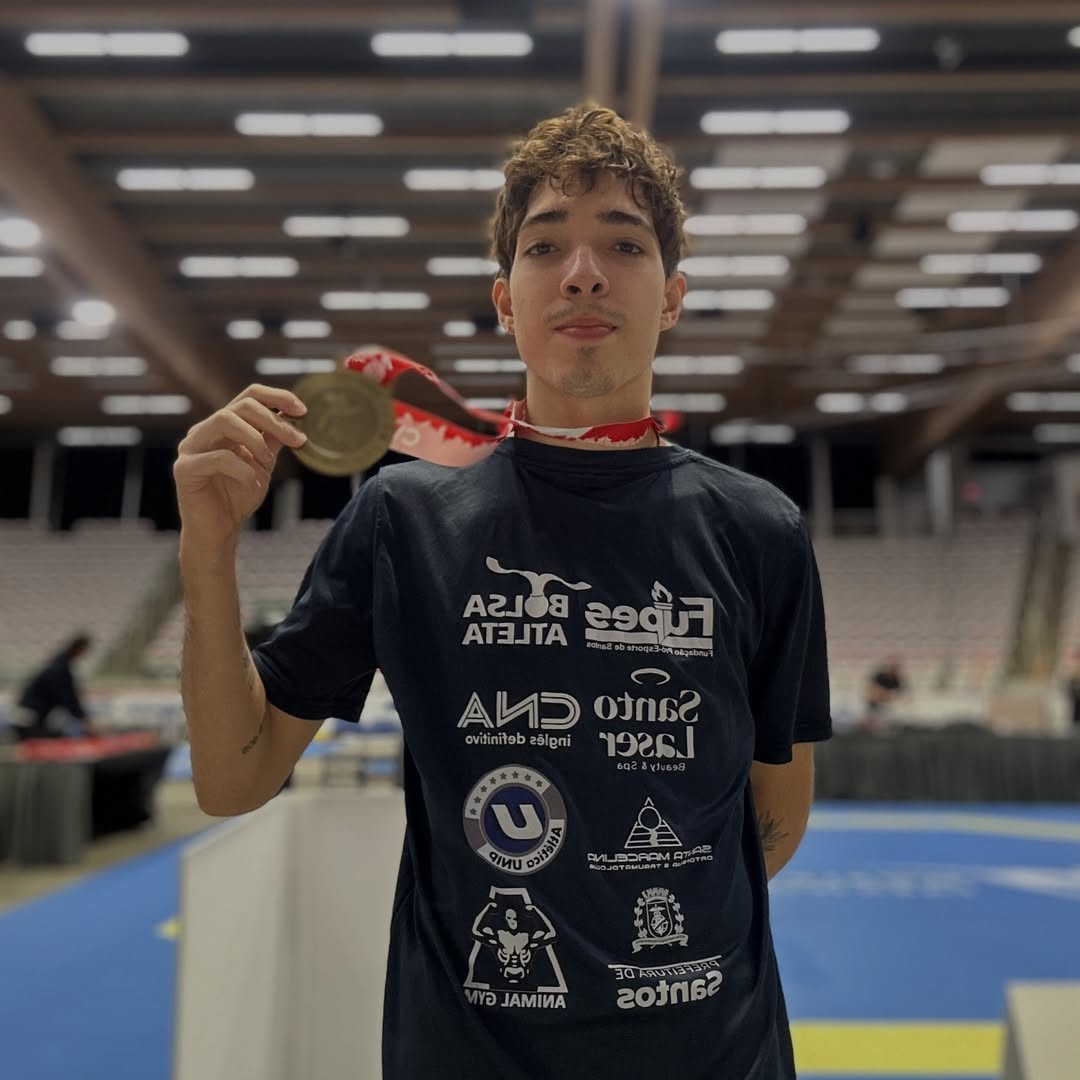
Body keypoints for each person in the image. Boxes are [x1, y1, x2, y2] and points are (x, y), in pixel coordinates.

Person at [173, 105, 831, 1080]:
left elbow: (773, 816)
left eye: (624, 243)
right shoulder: (403, 519)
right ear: (504, 298)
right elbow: (235, 776)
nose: (583, 272)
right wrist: (209, 552)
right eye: (545, 246)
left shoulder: (758, 530)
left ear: (675, 294)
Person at [11, 633, 94, 740]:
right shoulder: (59, 670)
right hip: (29, 720)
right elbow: (68, 698)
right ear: (78, 649)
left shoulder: (59, 665)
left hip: (31, 717)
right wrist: (84, 719)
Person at [860, 655, 907, 731]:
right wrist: (888, 696)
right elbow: (873, 694)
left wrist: (885, 695)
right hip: (873, 708)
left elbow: (902, 698)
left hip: (887, 709)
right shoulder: (879, 676)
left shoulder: (897, 679)